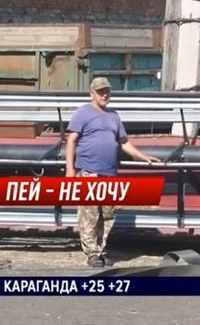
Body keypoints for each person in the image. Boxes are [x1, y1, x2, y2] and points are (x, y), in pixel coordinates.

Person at [65, 77, 161, 268]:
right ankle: (92, 253)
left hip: (108, 173)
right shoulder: (84, 112)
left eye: (107, 91)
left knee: (107, 215)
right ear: (91, 94)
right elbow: (71, 140)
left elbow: (124, 143)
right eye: (100, 91)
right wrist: (70, 169)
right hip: (89, 171)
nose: (104, 95)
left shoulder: (114, 116)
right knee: (89, 214)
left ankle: (101, 250)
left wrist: (143, 157)